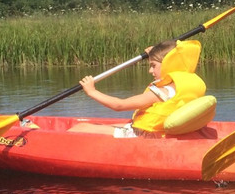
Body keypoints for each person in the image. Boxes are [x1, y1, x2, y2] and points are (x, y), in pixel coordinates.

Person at [72, 39, 206, 137]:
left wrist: (92, 91)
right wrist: (154, 53)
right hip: (156, 133)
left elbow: (119, 105)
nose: (150, 71)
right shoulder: (182, 86)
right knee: (98, 127)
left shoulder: (160, 92)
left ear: (168, 65)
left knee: (79, 128)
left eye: (153, 65)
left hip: (142, 136)